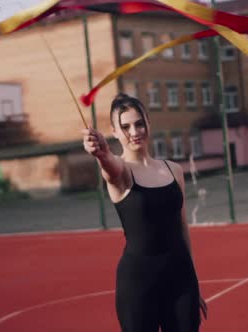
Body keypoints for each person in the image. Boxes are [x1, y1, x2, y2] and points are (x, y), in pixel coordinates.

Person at [82, 93, 208, 332]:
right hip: (139, 285)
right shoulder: (121, 172)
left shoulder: (174, 170)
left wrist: (193, 282)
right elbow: (110, 167)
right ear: (115, 131)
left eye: (139, 123)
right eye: (125, 126)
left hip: (181, 281)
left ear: (149, 123)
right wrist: (101, 154)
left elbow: (182, 227)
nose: (134, 131)